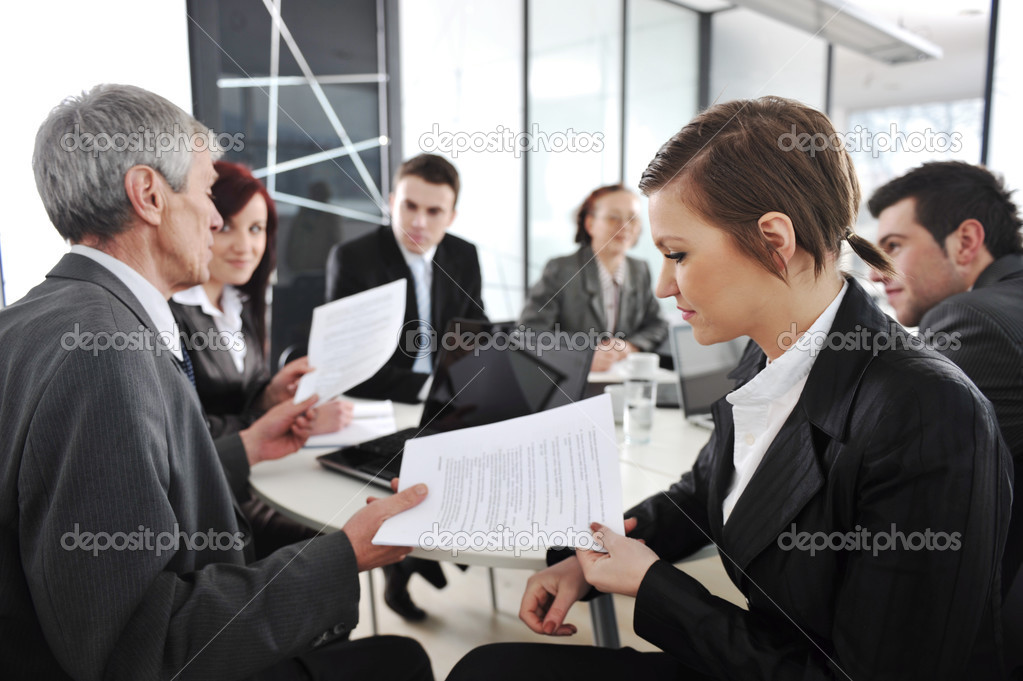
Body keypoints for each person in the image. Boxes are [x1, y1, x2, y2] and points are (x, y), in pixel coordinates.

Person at [447, 97, 1012, 680]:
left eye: (678, 255)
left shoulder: (926, 411)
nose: (665, 286)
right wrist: (589, 559)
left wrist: (653, 588)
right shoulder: (766, 352)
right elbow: (702, 491)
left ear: (773, 239)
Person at [0, 83, 432, 680]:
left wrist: (249, 443)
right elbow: (140, 649)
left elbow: (149, 477)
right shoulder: (105, 358)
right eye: (206, 191)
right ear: (149, 195)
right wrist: (341, 555)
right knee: (402, 661)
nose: (215, 217)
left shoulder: (36, 322)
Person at [867, 160, 1023, 676]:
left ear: (965, 241)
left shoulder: (971, 319)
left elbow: (876, 451)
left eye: (892, 247)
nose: (873, 271)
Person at [325, 153, 487, 621]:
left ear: (451, 215)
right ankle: (404, 568)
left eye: (434, 211)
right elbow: (352, 365)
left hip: (441, 399)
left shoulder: (463, 254)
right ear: (392, 201)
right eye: (409, 206)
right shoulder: (353, 258)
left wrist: (457, 388)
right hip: (376, 401)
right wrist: (428, 386)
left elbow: (473, 339)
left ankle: (422, 552)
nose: (419, 221)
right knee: (409, 468)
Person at [171, 160, 353, 558]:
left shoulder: (242, 304)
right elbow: (189, 431)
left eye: (256, 230)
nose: (245, 246)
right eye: (226, 227)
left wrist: (270, 394)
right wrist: (270, 420)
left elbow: (239, 397)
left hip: (257, 475)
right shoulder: (172, 313)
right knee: (328, 543)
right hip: (212, 495)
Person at [519, 184, 668, 372]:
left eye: (632, 218)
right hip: (572, 380)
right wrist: (584, 356)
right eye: (613, 217)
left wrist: (630, 346)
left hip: (622, 379)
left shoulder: (639, 270)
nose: (624, 226)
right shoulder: (561, 270)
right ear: (590, 224)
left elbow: (657, 324)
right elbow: (529, 333)